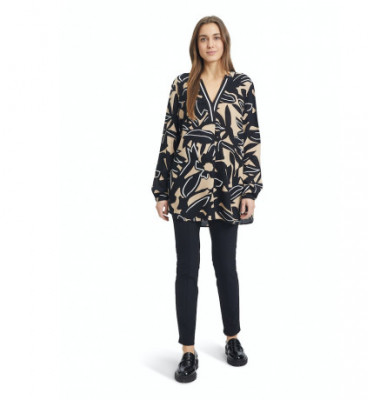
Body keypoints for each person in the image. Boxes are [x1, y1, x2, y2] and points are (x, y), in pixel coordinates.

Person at [151, 15, 263, 383]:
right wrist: (161, 189)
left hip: (229, 189)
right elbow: (170, 136)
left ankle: (232, 338)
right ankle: (188, 350)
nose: (210, 44)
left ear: (224, 42)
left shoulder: (242, 85)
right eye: (203, 38)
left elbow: (251, 139)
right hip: (186, 188)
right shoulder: (182, 84)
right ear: (196, 45)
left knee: (225, 266)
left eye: (215, 37)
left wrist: (250, 190)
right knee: (187, 268)